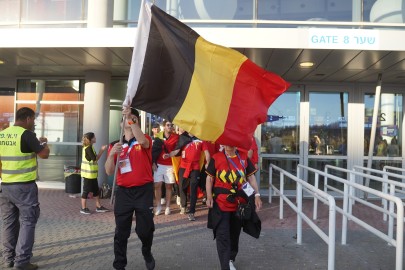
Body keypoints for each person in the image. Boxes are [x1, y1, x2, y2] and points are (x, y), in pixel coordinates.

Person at [105, 107, 155, 270]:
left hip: (143, 191)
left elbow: (143, 142)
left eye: (133, 118)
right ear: (120, 124)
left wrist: (131, 118)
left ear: (136, 122)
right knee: (121, 232)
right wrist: (112, 154)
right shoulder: (115, 144)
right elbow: (109, 171)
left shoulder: (144, 138)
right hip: (124, 193)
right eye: (125, 118)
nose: (127, 120)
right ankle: (119, 264)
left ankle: (146, 251)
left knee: (145, 230)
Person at [0, 107, 50, 270]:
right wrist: (45, 144)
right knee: (28, 222)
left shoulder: (2, 135)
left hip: (5, 186)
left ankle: (8, 259)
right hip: (24, 188)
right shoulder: (27, 135)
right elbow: (43, 154)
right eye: (33, 120)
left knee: (8, 223)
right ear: (27, 118)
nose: (33, 123)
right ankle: (22, 262)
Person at [206, 145, 262, 270]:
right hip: (221, 204)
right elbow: (209, 178)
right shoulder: (216, 158)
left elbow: (250, 178)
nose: (227, 146)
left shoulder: (243, 158)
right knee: (222, 234)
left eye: (230, 144)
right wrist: (209, 196)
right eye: (225, 144)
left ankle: (230, 258)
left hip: (238, 204)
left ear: (236, 144)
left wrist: (256, 195)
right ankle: (225, 265)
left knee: (234, 234)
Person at [152, 120, 179, 215]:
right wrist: (153, 162)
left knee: (168, 186)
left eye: (171, 125)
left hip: (170, 165)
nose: (170, 126)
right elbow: (154, 150)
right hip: (159, 164)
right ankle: (158, 206)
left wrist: (174, 153)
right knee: (157, 185)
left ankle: (168, 207)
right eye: (168, 125)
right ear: (164, 126)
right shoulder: (158, 136)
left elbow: (180, 147)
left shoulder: (176, 137)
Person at [80, 132, 109, 214]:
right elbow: (95, 159)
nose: (95, 138)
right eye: (94, 137)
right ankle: (83, 208)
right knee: (86, 191)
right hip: (88, 174)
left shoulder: (90, 147)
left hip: (91, 174)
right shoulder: (88, 148)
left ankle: (98, 206)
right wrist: (101, 151)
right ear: (90, 139)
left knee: (96, 190)